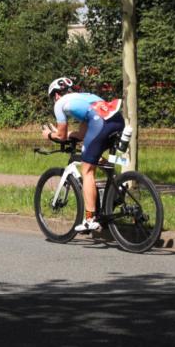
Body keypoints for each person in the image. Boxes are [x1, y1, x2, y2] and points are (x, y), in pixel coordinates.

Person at [42, 76, 125, 233]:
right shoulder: (86, 97)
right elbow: (81, 134)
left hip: (100, 124)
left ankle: (89, 219)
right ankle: (117, 187)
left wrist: (48, 135)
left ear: (56, 95)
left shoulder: (60, 103)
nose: (54, 100)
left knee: (87, 170)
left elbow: (61, 136)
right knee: (95, 156)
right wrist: (67, 135)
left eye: (53, 97)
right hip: (117, 121)